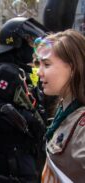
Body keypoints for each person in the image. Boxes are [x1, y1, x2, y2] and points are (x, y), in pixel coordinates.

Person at [0, 17, 47, 183]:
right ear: (17, 42)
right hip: (10, 155)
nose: (32, 47)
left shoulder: (19, 70)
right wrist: (27, 119)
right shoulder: (5, 71)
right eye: (29, 41)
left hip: (22, 152)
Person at [34, 29, 85, 183]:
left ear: (73, 68)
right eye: (39, 64)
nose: (39, 72)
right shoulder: (65, 108)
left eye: (46, 64)